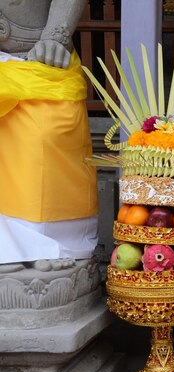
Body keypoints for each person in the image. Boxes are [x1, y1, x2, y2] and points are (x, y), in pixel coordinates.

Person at [0, 0, 98, 271]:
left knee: (46, 136)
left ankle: (44, 242)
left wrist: (56, 35)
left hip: (40, 55)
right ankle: (5, 244)